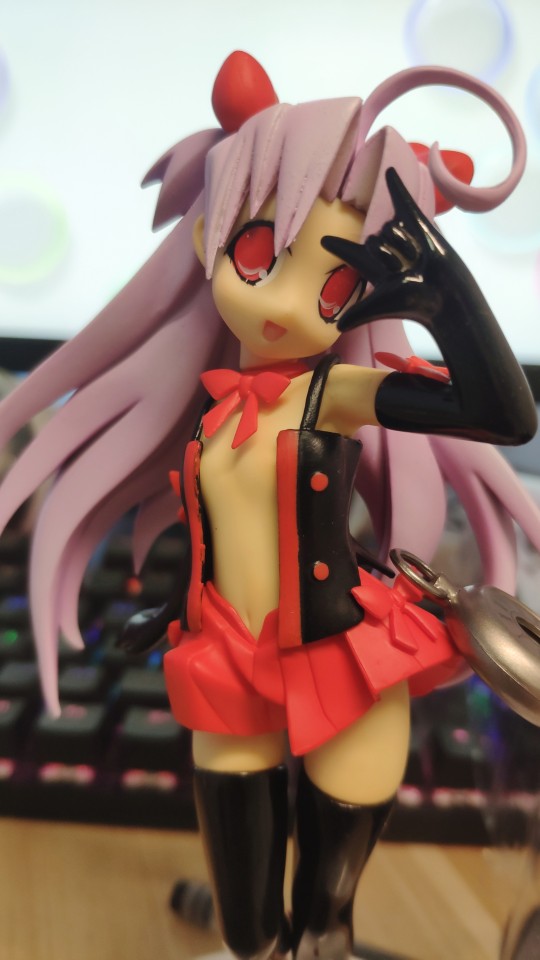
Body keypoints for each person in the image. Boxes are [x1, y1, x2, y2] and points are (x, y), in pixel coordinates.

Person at [0, 51, 539, 960]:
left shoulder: (338, 394)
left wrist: (446, 293)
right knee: (249, 928)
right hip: (228, 654)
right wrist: (171, 607)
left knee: (321, 929)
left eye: (334, 286)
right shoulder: (210, 407)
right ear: (211, 240)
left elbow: (504, 414)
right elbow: (222, 533)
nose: (288, 304)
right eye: (258, 254)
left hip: (338, 659)